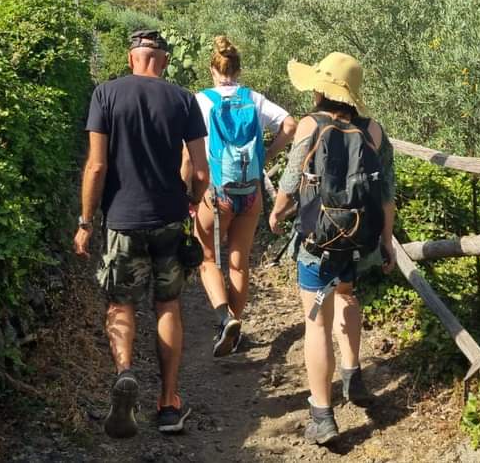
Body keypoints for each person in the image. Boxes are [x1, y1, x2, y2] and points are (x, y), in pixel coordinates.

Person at [73, 29, 210, 438]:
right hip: (168, 218)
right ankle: (168, 404)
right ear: (163, 60)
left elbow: (96, 167)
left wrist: (84, 222)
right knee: (167, 304)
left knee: (121, 303)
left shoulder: (106, 95)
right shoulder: (183, 99)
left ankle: (125, 374)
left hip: (121, 219)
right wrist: (190, 200)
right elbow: (201, 171)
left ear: (132, 57)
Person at [268, 52, 397, 446]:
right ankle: (352, 372)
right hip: (360, 239)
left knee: (315, 321)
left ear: (322, 91)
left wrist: (276, 214)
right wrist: (387, 241)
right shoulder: (374, 130)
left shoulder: (310, 124)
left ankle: (323, 416)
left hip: (317, 241)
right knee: (347, 294)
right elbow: (387, 194)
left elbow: (291, 183)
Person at [185, 36, 296, 357]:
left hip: (214, 192)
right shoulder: (254, 99)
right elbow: (289, 124)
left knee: (207, 259)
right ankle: (235, 327)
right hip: (250, 192)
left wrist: (188, 193)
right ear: (238, 69)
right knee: (239, 263)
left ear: (212, 68)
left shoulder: (201, 101)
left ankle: (225, 319)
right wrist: (268, 155)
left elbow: (187, 156)